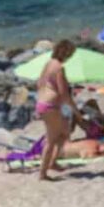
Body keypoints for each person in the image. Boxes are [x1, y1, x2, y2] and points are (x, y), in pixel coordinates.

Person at [35, 40, 81, 181]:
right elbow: (64, 93)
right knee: (51, 139)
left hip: (43, 104)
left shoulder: (49, 63)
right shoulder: (59, 68)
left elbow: (39, 83)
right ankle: (42, 174)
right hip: (51, 107)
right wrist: (75, 110)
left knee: (64, 132)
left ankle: (53, 162)